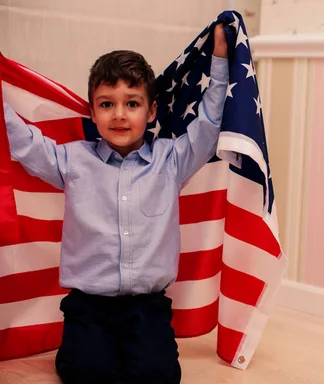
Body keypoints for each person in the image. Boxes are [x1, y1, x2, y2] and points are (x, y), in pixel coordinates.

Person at [3, 24, 229, 384]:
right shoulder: (73, 161)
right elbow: (27, 143)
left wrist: (219, 61)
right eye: (107, 104)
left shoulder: (172, 161)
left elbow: (208, 125)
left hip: (147, 304)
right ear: (92, 113)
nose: (119, 115)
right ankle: (83, 348)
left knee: (158, 376)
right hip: (89, 304)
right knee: (87, 373)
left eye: (132, 104)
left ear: (151, 111)